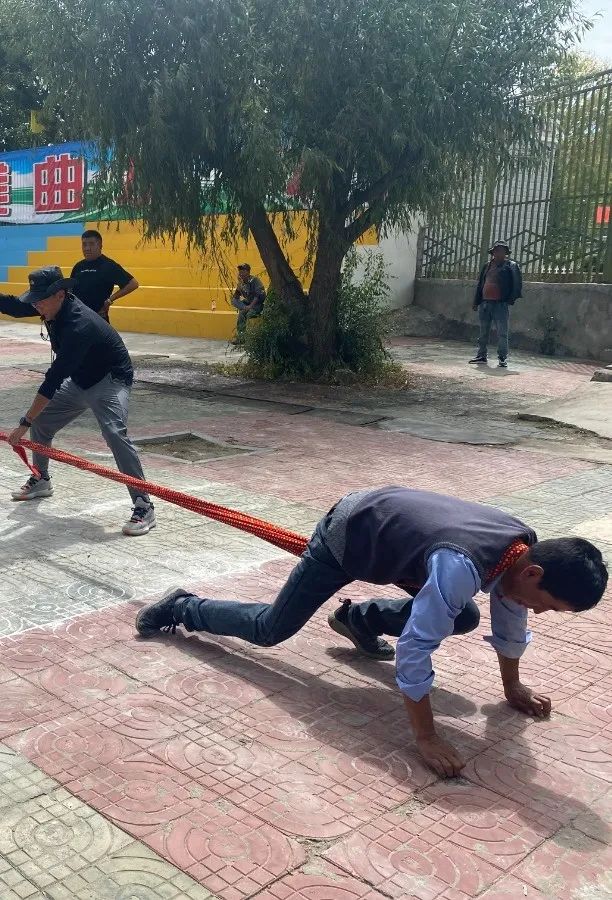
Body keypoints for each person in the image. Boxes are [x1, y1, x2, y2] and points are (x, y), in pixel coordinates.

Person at [136, 486, 607, 777]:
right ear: (533, 574)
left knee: (461, 616)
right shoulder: (461, 567)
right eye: (547, 605)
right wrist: (426, 736)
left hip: (397, 539)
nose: (539, 612)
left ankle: (357, 620)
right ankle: (184, 607)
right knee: (270, 629)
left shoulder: (520, 552)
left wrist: (512, 687)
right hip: (350, 533)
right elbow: (416, 652)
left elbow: (511, 619)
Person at [2, 266, 156, 536]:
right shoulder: (49, 305)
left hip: (110, 379)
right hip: (80, 380)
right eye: (34, 300)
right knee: (43, 423)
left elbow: (53, 379)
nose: (36, 305)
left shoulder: (79, 324)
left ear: (60, 294)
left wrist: (24, 423)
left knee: (114, 432)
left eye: (40, 300)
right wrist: (32, 422)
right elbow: (15, 307)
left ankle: (144, 504)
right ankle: (41, 478)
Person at [470, 240, 522, 368]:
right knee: (483, 332)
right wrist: (476, 302)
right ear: (493, 252)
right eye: (496, 251)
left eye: (501, 251)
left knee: (502, 333)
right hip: (485, 303)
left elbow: (517, 284)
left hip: (500, 305)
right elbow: (480, 285)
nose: (498, 253)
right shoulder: (487, 266)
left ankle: (502, 358)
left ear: (505, 253)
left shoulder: (510, 266)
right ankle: (481, 355)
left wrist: (510, 300)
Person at [71, 229, 139, 321]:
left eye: (91, 244)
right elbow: (71, 290)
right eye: (84, 244)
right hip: (78, 318)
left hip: (98, 319)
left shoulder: (108, 265)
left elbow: (133, 284)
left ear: (100, 245)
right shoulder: (78, 266)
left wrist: (110, 300)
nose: (87, 248)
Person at [230, 263, 266, 342]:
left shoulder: (255, 280)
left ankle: (250, 339)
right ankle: (241, 337)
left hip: (257, 304)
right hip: (248, 304)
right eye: (240, 271)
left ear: (248, 272)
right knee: (234, 302)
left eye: (243, 271)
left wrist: (250, 306)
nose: (241, 273)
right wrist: (239, 286)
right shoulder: (241, 283)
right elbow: (236, 297)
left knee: (248, 314)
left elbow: (258, 296)